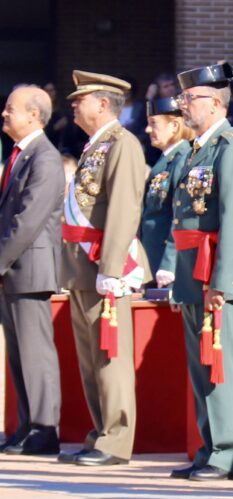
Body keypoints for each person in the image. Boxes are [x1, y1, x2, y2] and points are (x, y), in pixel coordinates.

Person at [168, 62, 233, 481]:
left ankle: (227, 453)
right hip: (193, 269)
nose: (184, 105)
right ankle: (208, 447)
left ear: (217, 103)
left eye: (192, 98)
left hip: (218, 272)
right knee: (199, 367)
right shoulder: (196, 149)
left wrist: (221, 282)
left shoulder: (232, 147)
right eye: (184, 97)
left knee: (219, 365)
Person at [59, 71, 150, 466]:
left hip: (104, 264)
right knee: (90, 358)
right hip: (81, 266)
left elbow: (125, 207)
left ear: (102, 103)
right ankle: (100, 433)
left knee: (110, 357)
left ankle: (116, 440)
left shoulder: (122, 143)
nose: (73, 106)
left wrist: (111, 267)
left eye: (80, 99)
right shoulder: (95, 145)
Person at [0, 85, 64, 456]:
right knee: (19, 354)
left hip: (30, 268)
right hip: (14, 270)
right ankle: (26, 425)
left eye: (11, 109)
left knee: (35, 351)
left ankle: (44, 428)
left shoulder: (45, 158)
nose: (4, 114)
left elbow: (27, 221)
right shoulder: (20, 155)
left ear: (34, 116)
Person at [140, 96, 193, 284]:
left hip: (165, 263)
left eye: (154, 124)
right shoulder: (165, 160)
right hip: (152, 257)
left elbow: (179, 215)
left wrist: (169, 263)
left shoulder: (182, 159)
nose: (148, 130)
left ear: (175, 126)